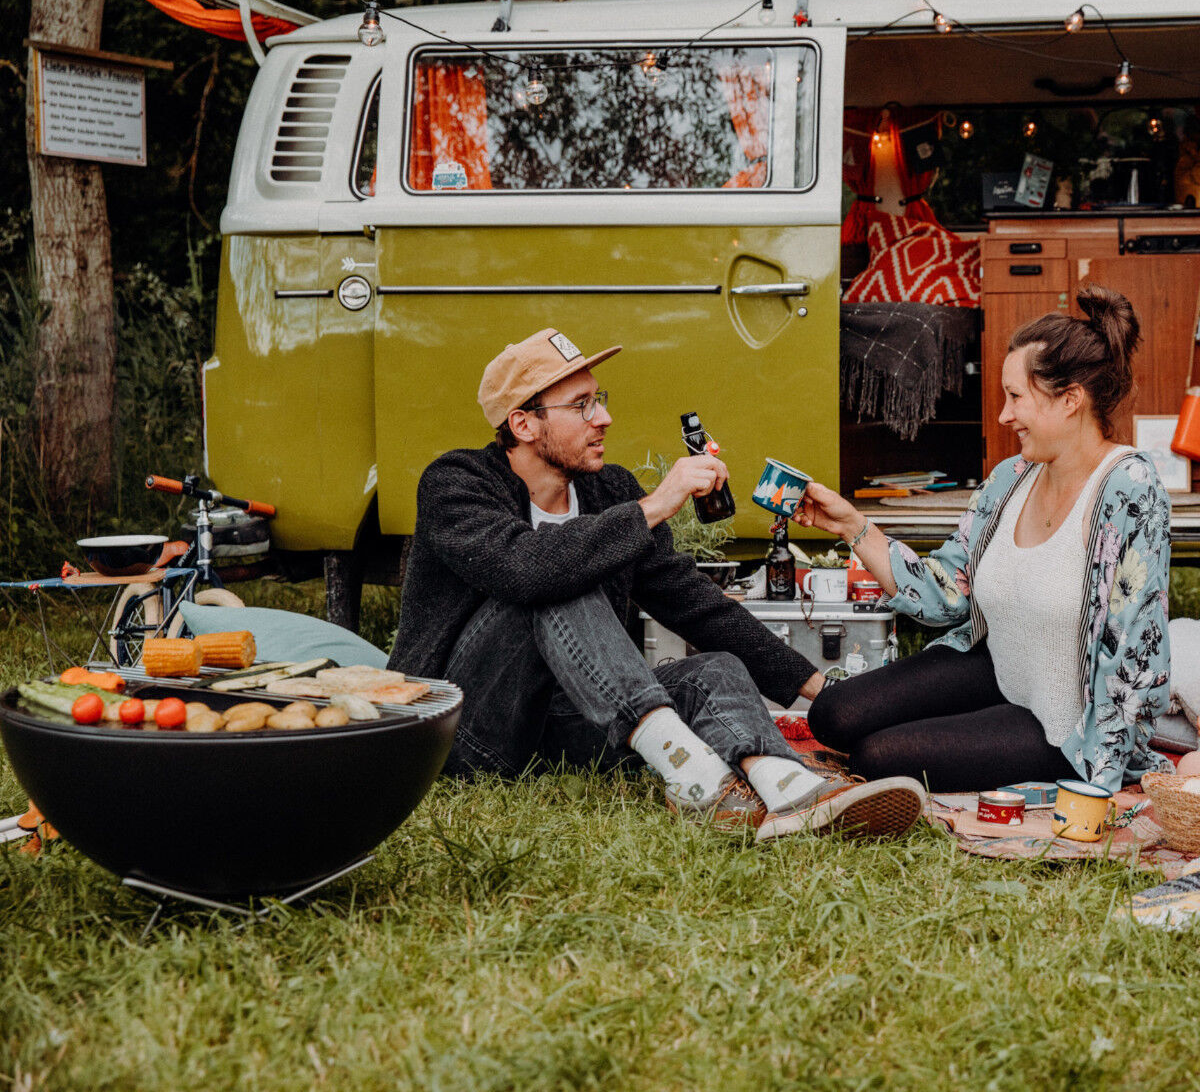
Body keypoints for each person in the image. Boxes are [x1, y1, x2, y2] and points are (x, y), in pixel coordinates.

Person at [389, 327, 926, 841]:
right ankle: (693, 775)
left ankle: (787, 786)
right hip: (467, 735)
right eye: (581, 405)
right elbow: (525, 566)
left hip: (568, 732)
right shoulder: (455, 483)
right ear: (524, 424)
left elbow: (695, 606)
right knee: (559, 576)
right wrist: (656, 505)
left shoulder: (608, 490)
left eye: (599, 399)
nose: (604, 418)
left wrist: (829, 694)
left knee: (716, 668)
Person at [797, 285, 1172, 794]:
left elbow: (1138, 654)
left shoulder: (1129, 487)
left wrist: (1100, 776)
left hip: (1061, 719)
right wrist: (851, 526)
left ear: (1070, 400)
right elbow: (946, 594)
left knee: (877, 755)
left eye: (1016, 397)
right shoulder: (1010, 476)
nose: (1003, 416)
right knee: (834, 715)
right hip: (995, 670)